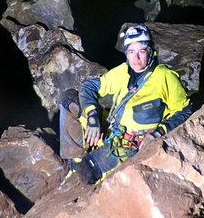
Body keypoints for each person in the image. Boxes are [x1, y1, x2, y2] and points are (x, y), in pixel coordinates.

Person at [59, 23, 192, 186]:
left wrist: (158, 132)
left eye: (141, 51)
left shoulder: (164, 77)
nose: (136, 58)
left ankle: (88, 165)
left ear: (150, 51)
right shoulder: (124, 71)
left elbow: (184, 110)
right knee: (69, 100)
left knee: (87, 173)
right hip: (110, 128)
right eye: (131, 52)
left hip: (128, 144)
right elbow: (89, 87)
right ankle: (76, 159)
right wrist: (92, 116)